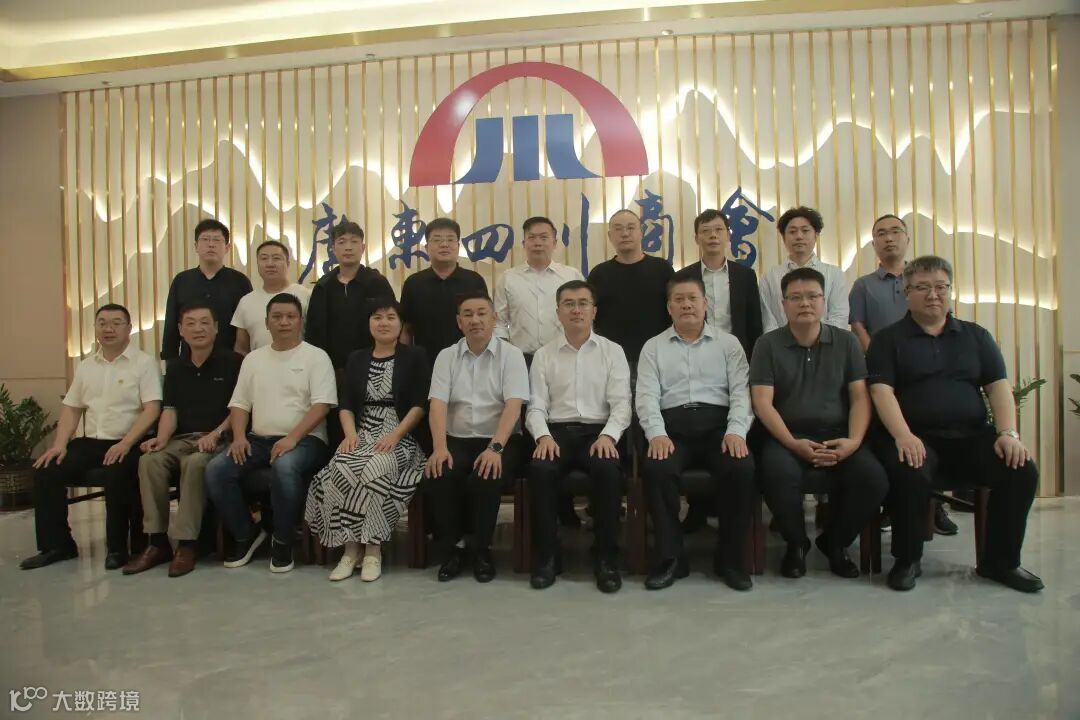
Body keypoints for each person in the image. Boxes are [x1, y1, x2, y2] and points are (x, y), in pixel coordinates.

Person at [867, 255, 1043, 593]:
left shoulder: (976, 336)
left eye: (940, 287)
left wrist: (1008, 434)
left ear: (950, 290)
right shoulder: (888, 339)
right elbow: (881, 391)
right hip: (915, 436)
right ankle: (908, 559)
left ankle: (1000, 563)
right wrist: (903, 435)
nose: (933, 295)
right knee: (910, 467)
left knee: (1021, 469)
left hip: (970, 436)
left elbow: (998, 387)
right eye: (922, 287)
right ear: (907, 293)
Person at [750, 268, 888, 579]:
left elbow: (860, 398)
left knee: (873, 479)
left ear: (824, 301)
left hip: (838, 435)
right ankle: (796, 545)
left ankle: (835, 543)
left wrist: (853, 441)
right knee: (776, 475)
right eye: (795, 297)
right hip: (786, 436)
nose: (805, 303)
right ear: (783, 304)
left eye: (812, 296)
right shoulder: (767, 345)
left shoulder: (847, 342)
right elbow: (762, 402)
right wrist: (791, 443)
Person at [636, 277, 756, 592]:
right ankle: (671, 559)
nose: (686, 305)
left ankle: (730, 560)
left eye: (692, 298)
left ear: (705, 304)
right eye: (679, 299)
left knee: (740, 467)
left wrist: (736, 431)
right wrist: (656, 434)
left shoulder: (729, 344)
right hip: (672, 428)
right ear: (669, 307)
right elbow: (646, 397)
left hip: (719, 426)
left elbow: (741, 393)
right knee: (657, 468)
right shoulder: (653, 347)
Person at [21, 304, 162, 571]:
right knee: (47, 469)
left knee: (117, 471)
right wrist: (60, 444)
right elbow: (72, 407)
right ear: (95, 328)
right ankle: (57, 546)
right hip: (92, 442)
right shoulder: (87, 366)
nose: (109, 329)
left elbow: (152, 409)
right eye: (102, 323)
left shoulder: (144, 363)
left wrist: (126, 443)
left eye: (116, 323)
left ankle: (118, 549)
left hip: (130, 441)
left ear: (129, 328)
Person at [204, 293, 337, 573]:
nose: (284, 322)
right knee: (217, 469)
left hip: (306, 440)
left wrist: (292, 438)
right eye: (277, 317)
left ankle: (283, 539)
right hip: (258, 440)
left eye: (290, 317)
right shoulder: (253, 360)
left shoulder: (316, 357)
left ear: (300, 321)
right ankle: (246, 533)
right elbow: (240, 404)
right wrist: (239, 437)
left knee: (285, 466)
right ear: (266, 323)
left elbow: (321, 406)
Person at [305, 299, 430, 582]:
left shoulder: (415, 356)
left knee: (375, 469)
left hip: (400, 435)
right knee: (340, 468)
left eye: (390, 317)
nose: (384, 323)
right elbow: (346, 403)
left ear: (401, 324)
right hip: (362, 432)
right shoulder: (357, 358)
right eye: (377, 317)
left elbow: (419, 404)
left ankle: (373, 550)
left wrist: (395, 435)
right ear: (369, 323)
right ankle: (350, 551)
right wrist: (351, 435)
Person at [849, 214, 956, 535]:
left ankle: (935, 507)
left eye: (895, 231)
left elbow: (944, 321)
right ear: (873, 243)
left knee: (934, 436)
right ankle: (891, 506)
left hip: (924, 372)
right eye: (881, 233)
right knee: (890, 440)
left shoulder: (928, 280)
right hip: (882, 374)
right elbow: (857, 325)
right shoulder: (863, 285)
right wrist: (879, 356)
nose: (889, 238)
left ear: (907, 239)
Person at [526, 280, 631, 593]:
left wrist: (609, 437)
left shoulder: (612, 351)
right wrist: (543, 437)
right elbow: (536, 406)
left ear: (594, 311)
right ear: (558, 312)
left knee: (607, 470)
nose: (576, 310)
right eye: (568, 304)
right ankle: (548, 557)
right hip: (556, 433)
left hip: (599, 433)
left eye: (583, 303)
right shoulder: (544, 355)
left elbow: (622, 404)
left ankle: (606, 557)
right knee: (540, 470)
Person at [123, 304, 241, 577]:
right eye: (190, 323)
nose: (198, 329)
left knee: (195, 463)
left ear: (216, 328)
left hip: (221, 438)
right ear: (180, 330)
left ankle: (187, 544)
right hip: (182, 437)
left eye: (204, 322)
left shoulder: (234, 362)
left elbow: (239, 408)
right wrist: (161, 438)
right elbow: (170, 410)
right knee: (150, 461)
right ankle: (156, 541)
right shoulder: (175, 367)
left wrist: (216, 434)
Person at [424, 291, 530, 583]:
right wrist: (439, 447)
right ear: (459, 322)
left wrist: (495, 448)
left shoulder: (512, 355)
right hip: (457, 438)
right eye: (468, 315)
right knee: (439, 472)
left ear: (494, 319)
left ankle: (482, 549)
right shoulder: (446, 356)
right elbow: (437, 404)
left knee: (487, 474)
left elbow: (514, 405)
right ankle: (455, 547)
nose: (475, 320)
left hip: (501, 440)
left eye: (482, 313)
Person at [672, 208, 765, 533]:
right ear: (696, 237)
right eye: (705, 231)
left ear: (728, 235)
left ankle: (729, 514)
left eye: (718, 230)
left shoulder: (744, 276)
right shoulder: (684, 276)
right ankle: (698, 511)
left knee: (732, 434)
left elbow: (754, 324)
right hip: (693, 359)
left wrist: (753, 364)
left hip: (733, 360)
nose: (712, 236)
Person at [305, 220, 396, 371]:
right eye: (342, 242)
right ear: (333, 248)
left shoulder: (377, 283)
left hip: (374, 364)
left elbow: (392, 323)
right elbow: (313, 332)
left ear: (363, 248)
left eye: (354, 241)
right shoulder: (323, 286)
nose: (348, 247)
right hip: (331, 367)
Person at [588, 209, 673, 367]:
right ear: (610, 236)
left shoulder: (662, 269)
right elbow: (591, 317)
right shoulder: (598, 274)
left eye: (631, 228)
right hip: (611, 360)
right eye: (618, 229)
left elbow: (674, 310)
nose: (625, 233)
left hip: (658, 357)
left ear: (641, 232)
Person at [494, 216, 584, 362]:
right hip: (521, 359)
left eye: (543, 237)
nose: (537, 243)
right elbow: (499, 323)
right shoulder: (508, 278)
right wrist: (505, 356)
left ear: (554, 243)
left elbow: (584, 317)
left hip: (565, 357)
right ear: (524, 244)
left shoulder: (572, 276)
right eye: (532, 237)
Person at [400, 217, 488, 362]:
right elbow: (406, 329)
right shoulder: (413, 283)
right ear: (427, 248)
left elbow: (485, 324)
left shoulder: (474, 281)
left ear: (457, 246)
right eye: (437, 240)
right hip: (424, 363)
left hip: (469, 361)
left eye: (450, 239)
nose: (444, 244)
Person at [161, 219, 252, 359]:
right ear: (196, 246)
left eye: (216, 240)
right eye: (205, 239)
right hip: (189, 361)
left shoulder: (240, 281)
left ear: (227, 248)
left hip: (230, 362)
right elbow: (171, 324)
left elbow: (247, 325)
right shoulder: (182, 280)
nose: (211, 244)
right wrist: (170, 360)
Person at [758, 206, 848, 334]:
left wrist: (820, 341)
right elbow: (768, 321)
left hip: (827, 344)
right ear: (783, 237)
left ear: (816, 235)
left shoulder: (835, 275)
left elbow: (839, 318)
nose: (799, 236)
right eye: (792, 232)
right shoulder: (770, 277)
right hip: (781, 345)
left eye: (805, 231)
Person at [231, 240, 312, 354]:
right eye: (264, 258)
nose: (270, 264)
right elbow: (241, 348)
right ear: (257, 264)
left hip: (301, 363)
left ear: (288, 263)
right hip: (260, 364)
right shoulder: (246, 302)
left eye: (276, 258)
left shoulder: (306, 295)